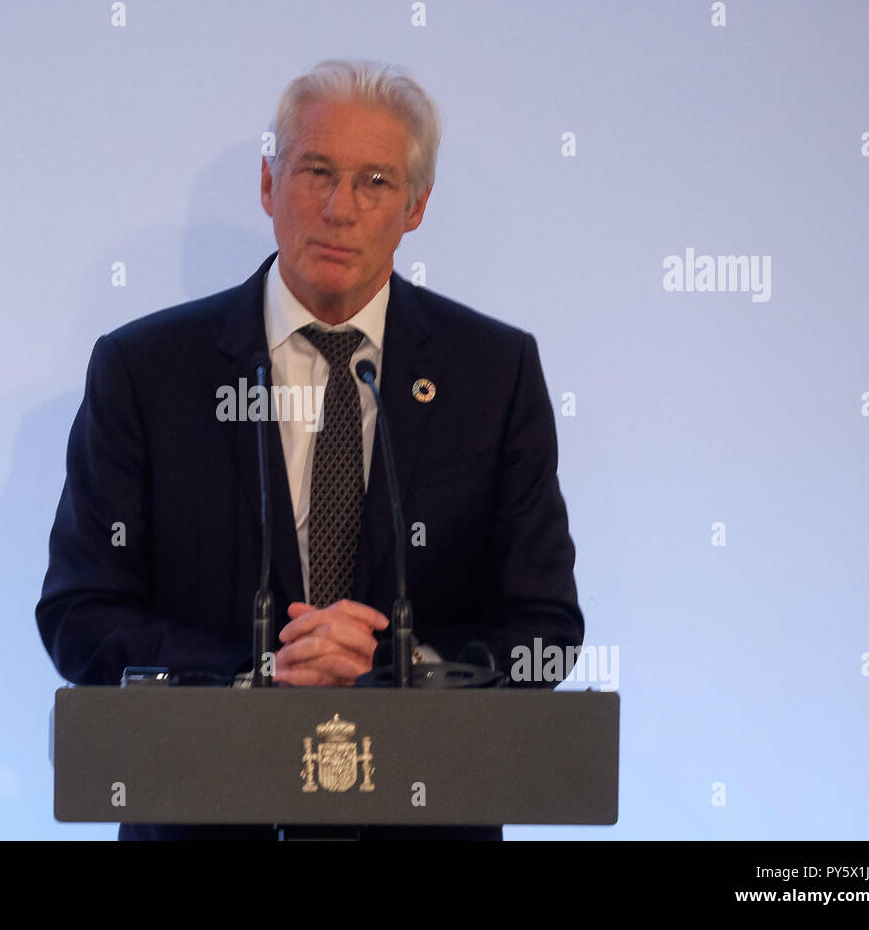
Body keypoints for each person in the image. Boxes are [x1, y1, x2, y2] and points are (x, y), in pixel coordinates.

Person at [36, 59, 583, 840]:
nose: (340, 209)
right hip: (203, 820)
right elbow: (79, 613)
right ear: (269, 185)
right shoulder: (148, 370)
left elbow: (546, 629)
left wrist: (405, 668)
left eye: (376, 183)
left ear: (417, 206)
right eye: (315, 172)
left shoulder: (493, 372)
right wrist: (258, 672)